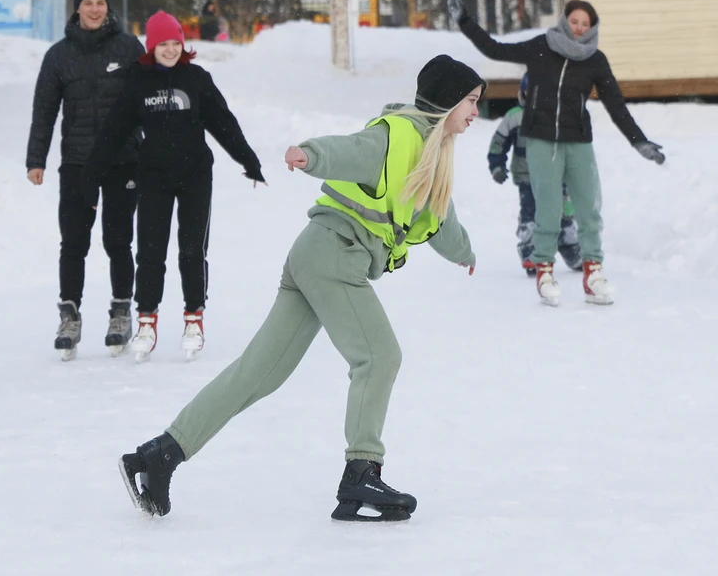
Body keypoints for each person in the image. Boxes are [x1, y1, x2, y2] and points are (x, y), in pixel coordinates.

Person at [117, 54, 482, 522]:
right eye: (470, 101)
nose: (475, 111)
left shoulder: (432, 157)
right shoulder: (398, 135)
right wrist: (310, 154)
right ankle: (360, 474)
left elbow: (441, 220)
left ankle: (159, 456)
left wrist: (465, 253)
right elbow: (352, 149)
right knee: (379, 355)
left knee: (258, 373)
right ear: (447, 101)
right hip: (333, 255)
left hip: (315, 256)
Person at [449, 0, 665, 306]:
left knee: (588, 207)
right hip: (541, 140)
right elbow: (494, 49)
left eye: (585, 24)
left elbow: (615, 104)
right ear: (565, 21)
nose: (578, 28)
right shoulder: (542, 46)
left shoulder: (595, 60)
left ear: (592, 28)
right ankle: (545, 272)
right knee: (547, 209)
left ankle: (593, 273)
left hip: (578, 141)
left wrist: (638, 141)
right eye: (574, 21)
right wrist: (464, 22)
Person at [82, 11, 265, 362]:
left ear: (183, 45)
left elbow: (223, 123)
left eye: (175, 43)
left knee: (192, 248)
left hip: (195, 174)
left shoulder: (196, 79)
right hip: (153, 175)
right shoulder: (138, 82)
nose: (169, 50)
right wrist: (91, 175)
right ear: (151, 46)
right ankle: (147, 322)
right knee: (150, 251)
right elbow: (113, 132)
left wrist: (248, 160)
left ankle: (193, 318)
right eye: (162, 44)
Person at [25, 0, 145, 360]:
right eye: (88, 3)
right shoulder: (58, 56)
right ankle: (69, 316)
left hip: (122, 160)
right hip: (77, 162)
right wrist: (36, 159)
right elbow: (44, 111)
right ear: (77, 8)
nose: (95, 9)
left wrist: (153, 147)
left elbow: (149, 100)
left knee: (118, 240)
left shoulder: (128, 48)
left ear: (108, 9)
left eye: (100, 3)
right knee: (74, 241)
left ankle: (121, 312)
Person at [489, 73, 582, 276]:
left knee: (565, 212)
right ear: (523, 93)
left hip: (557, 175)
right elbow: (499, 143)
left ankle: (570, 247)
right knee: (531, 214)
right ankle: (531, 250)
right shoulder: (515, 116)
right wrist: (497, 165)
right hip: (527, 176)